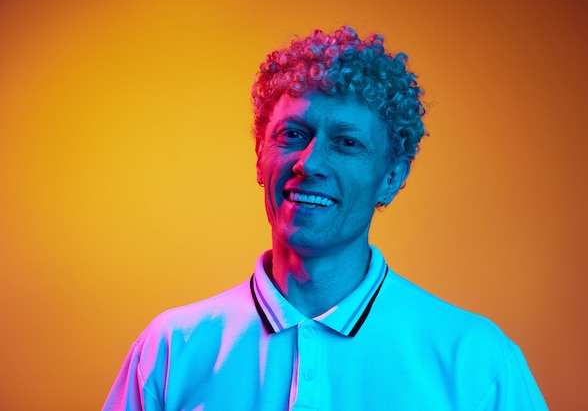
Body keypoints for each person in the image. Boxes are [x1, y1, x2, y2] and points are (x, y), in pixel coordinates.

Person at [103, 26, 548, 410]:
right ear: (260, 156)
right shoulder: (169, 350)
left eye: (347, 143)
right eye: (292, 135)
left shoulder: (476, 361)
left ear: (391, 177)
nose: (310, 162)